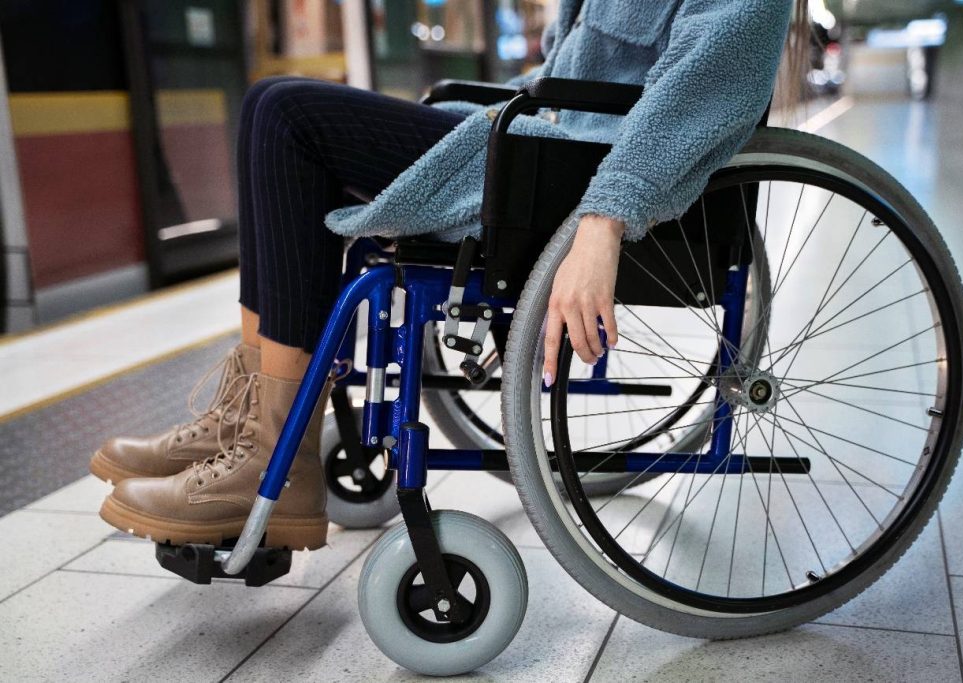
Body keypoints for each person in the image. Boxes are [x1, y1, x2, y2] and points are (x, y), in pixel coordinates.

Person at [93, 0, 802, 550]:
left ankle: (272, 457)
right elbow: (568, 79)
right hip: (546, 148)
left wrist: (603, 220)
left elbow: (709, 88)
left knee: (285, 117)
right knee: (264, 105)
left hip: (579, 178)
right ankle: (253, 423)